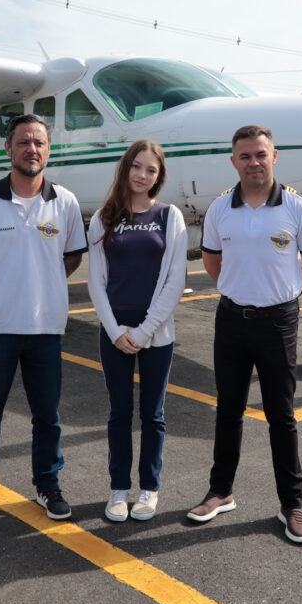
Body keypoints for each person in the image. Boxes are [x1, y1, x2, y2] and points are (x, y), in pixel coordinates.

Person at [188, 124, 302, 544]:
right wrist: (245, 293)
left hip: (278, 322)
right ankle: (221, 491)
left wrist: (279, 298)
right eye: (245, 156)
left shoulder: (298, 208)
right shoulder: (218, 210)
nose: (253, 162)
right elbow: (214, 263)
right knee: (227, 410)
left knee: (280, 416)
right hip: (230, 320)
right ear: (234, 161)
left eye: (260, 154)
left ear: (274, 157)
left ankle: (292, 505)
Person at [0, 113, 88, 524]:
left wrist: (39, 285)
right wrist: (1, 286)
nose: (33, 149)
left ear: (49, 150)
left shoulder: (64, 202)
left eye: (40, 143)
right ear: (8, 148)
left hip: (45, 328)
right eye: (24, 142)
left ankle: (48, 485)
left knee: (47, 416)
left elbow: (71, 256)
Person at [87, 140, 187, 522]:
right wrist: (115, 331)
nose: (143, 175)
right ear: (125, 168)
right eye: (137, 167)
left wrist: (145, 331)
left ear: (159, 177)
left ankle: (148, 489)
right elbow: (96, 281)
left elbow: (175, 281)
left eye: (152, 170)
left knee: (153, 414)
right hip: (114, 332)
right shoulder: (104, 217)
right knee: (119, 413)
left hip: (156, 333)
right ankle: (118, 490)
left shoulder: (169, 216)